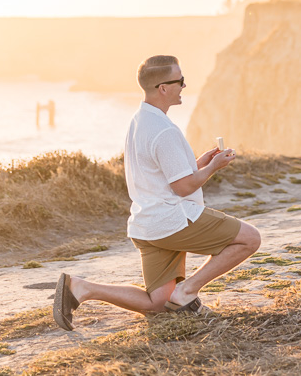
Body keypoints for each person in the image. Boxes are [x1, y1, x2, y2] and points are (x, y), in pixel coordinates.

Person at [52, 55, 261, 329]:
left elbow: (163, 175)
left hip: (147, 226)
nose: (184, 86)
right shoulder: (164, 131)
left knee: (159, 304)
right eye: (180, 81)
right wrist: (215, 168)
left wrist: (201, 163)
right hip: (172, 222)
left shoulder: (139, 121)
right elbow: (184, 186)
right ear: (163, 88)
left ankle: (81, 288)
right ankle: (187, 292)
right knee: (250, 238)